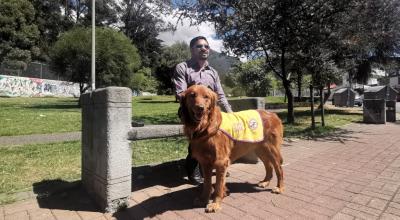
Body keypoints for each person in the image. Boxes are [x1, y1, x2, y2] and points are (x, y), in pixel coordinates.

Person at [173, 36, 233, 185]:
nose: (204, 48)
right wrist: (196, 100)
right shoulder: (182, 67)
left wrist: (230, 113)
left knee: (221, 131)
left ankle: (215, 160)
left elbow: (220, 95)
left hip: (210, 111)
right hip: (188, 110)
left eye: (206, 46)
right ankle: (194, 168)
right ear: (192, 49)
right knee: (198, 132)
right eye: (199, 46)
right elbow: (180, 93)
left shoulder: (213, 72)